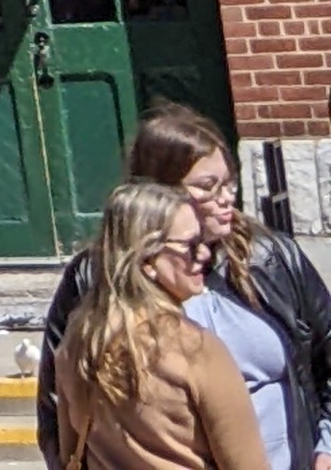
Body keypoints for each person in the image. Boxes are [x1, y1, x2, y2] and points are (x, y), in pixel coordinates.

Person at [39, 110, 331, 470]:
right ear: (160, 193)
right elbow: (58, 413)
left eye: (229, 184)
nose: (226, 198)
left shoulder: (271, 258)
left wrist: (327, 446)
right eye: (208, 187)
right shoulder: (93, 285)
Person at [54, 180, 266, 470]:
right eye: (190, 246)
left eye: (203, 241)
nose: (204, 254)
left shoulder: (80, 340)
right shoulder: (195, 350)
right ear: (147, 260)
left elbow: (67, 452)